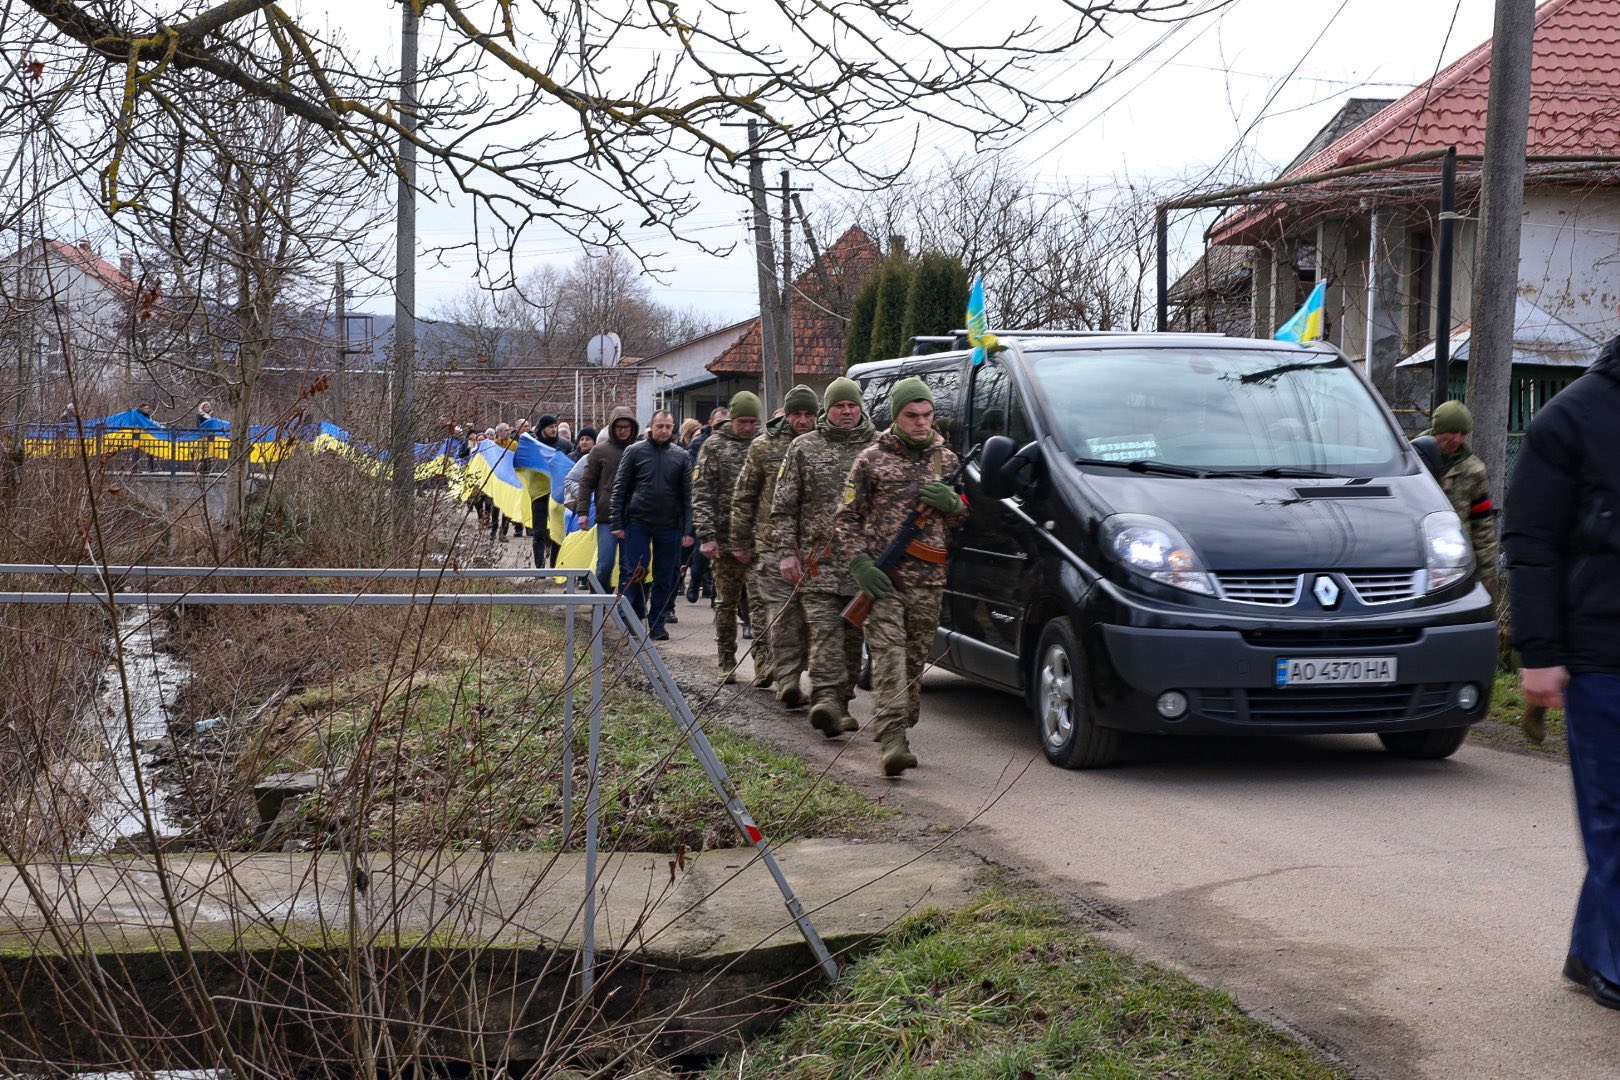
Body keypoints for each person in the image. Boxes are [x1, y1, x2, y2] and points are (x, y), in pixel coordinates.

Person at [1504, 332, 1620, 1012]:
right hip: (1600, 654)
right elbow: (1531, 542)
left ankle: (1589, 947)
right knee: (1614, 815)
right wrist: (1540, 653)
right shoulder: (1569, 419)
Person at [835, 377, 968, 775]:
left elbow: (964, 518)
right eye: (912, 415)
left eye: (927, 415)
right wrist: (859, 564)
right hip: (883, 578)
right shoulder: (869, 459)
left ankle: (902, 721)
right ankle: (892, 738)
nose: (921, 422)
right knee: (889, 655)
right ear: (897, 416)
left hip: (929, 578)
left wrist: (954, 506)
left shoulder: (947, 460)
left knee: (913, 660)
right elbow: (846, 517)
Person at [772, 377, 876, 736]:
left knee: (852, 637)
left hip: (863, 565)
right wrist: (787, 553)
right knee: (824, 633)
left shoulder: (878, 449)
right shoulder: (804, 448)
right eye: (839, 406)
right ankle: (826, 698)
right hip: (817, 564)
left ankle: (840, 703)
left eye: (852, 405)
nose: (846, 411)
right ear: (826, 410)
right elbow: (783, 507)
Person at [733, 384, 818, 697]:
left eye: (810, 413)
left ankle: (799, 670)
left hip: (815, 546)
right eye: (797, 413)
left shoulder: (824, 443)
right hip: (770, 543)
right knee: (781, 614)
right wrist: (740, 540)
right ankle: (788, 680)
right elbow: (744, 496)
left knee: (811, 618)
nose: (804, 420)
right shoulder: (763, 446)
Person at [692, 391, 762, 681]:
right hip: (723, 540)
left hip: (759, 539)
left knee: (761, 604)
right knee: (727, 603)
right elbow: (701, 493)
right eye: (743, 421)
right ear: (733, 419)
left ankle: (764, 661)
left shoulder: (763, 445)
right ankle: (726, 659)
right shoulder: (714, 446)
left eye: (753, 421)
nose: (748, 427)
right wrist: (707, 535)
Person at [610, 409, 693, 641]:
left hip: (670, 525)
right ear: (651, 426)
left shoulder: (681, 456)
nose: (664, 431)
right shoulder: (634, 452)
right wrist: (618, 522)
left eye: (668, 427)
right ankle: (635, 617)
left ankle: (658, 621)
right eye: (660, 426)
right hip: (638, 521)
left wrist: (688, 530)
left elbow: (688, 496)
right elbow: (620, 489)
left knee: (666, 575)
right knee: (634, 571)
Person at [1429, 400, 1498, 587]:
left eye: (1463, 434)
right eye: (1452, 432)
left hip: (1457, 565)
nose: (1457, 440)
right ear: (1437, 430)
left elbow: (1482, 524)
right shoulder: (1412, 460)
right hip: (1420, 563)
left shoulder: (1473, 471)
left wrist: (1487, 570)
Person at [576, 406, 638, 589]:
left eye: (627, 426)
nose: (623, 430)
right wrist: (583, 512)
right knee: (605, 565)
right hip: (607, 516)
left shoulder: (640, 449)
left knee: (630, 566)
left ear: (633, 427)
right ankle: (599, 602)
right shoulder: (600, 451)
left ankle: (624, 608)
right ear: (612, 427)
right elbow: (586, 483)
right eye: (619, 427)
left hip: (634, 516)